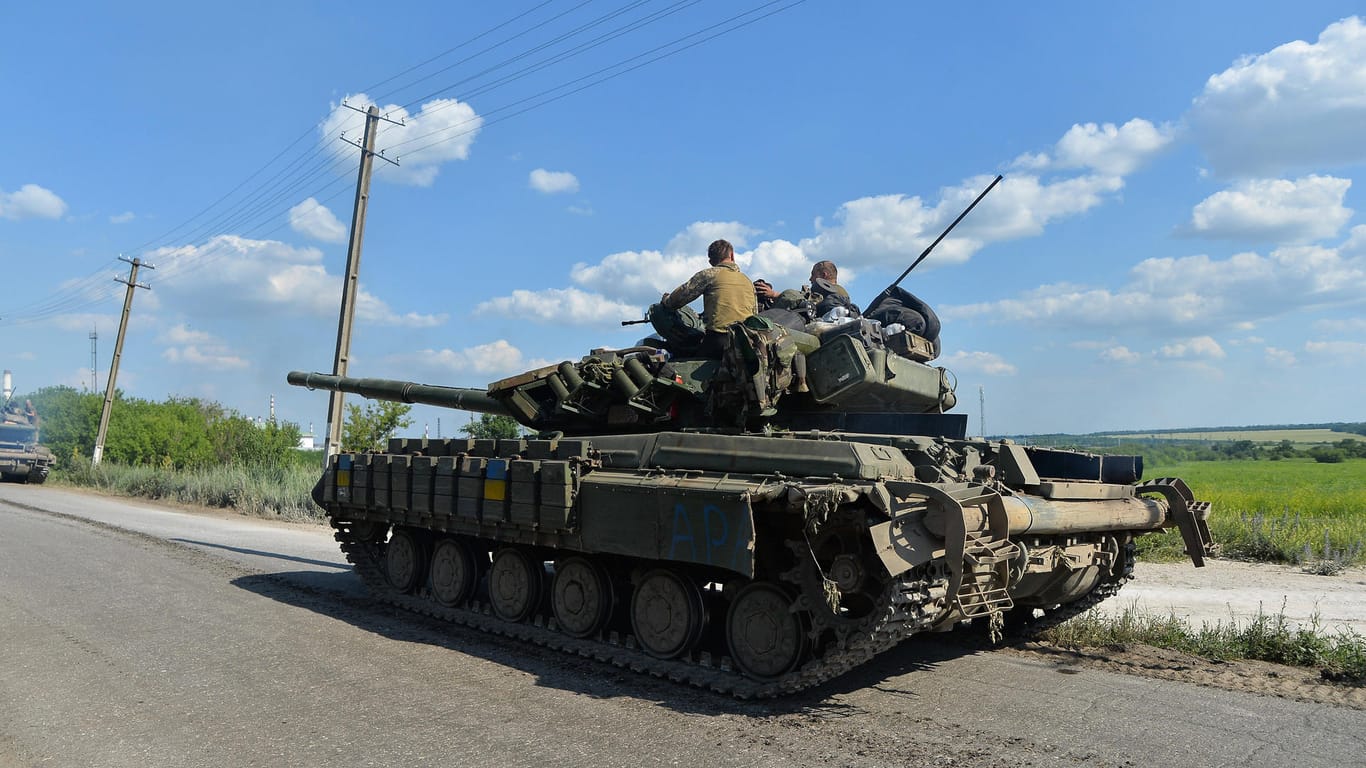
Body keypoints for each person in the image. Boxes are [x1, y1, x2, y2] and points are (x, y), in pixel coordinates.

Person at [661, 239, 756, 356]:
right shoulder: (747, 281)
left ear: (710, 261)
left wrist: (666, 300)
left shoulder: (710, 274)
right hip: (747, 343)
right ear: (732, 255)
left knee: (683, 357)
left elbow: (678, 299)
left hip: (719, 340)